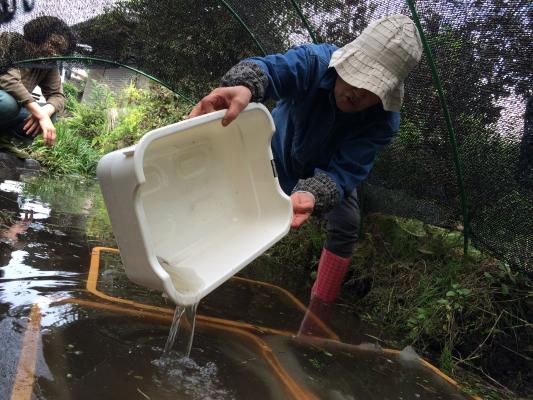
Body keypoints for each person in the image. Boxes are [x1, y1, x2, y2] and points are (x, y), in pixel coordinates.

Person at [189, 14, 423, 334]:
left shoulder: (383, 122)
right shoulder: (315, 62)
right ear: (345, 62)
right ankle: (198, 273)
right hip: (274, 154)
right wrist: (243, 86)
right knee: (232, 202)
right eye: (356, 75)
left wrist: (313, 193)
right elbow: (271, 69)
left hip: (324, 174)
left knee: (347, 222)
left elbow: (347, 170)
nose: (358, 91)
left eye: (372, 88)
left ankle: (317, 314)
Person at [0, 16, 76, 154]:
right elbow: (7, 80)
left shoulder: (48, 63)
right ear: (38, 36)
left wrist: (45, 112)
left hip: (11, 109)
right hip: (4, 101)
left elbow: (57, 95)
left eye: (61, 51)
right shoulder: (10, 41)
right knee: (9, 104)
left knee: (50, 113)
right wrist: (41, 115)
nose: (56, 53)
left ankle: (5, 141)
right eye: (53, 44)